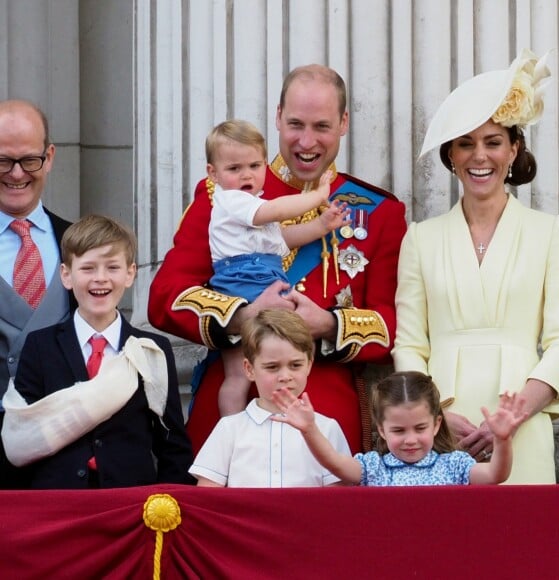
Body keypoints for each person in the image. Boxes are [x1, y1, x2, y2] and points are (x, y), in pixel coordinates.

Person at [148, 64, 408, 455]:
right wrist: (242, 315)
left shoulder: (378, 212)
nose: (307, 141)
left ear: (343, 123)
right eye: (295, 124)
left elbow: (392, 326)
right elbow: (165, 297)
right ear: (277, 118)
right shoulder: (226, 190)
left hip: (326, 423)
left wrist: (329, 325)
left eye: (321, 126)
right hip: (232, 418)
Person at [393, 49, 559, 484]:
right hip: (437, 429)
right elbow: (408, 343)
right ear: (451, 156)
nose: (480, 156)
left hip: (522, 421)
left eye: (493, 142)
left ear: (513, 149)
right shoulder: (420, 237)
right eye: (466, 143)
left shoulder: (549, 231)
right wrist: (433, 413)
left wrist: (514, 416)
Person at [1, 215, 194, 488]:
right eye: (88, 268)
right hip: (58, 506)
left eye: (112, 267)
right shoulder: (40, 346)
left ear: (130, 274)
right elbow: (24, 436)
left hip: (131, 506)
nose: (100, 279)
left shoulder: (152, 350)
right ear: (66, 275)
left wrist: (167, 507)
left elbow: (172, 444)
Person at [206, 119, 350, 416]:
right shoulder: (233, 201)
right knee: (243, 373)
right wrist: (318, 197)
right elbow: (274, 212)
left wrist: (322, 224)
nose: (246, 175)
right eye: (234, 169)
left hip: (262, 274)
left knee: (270, 367)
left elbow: (283, 239)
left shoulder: (253, 205)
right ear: (213, 174)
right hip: (243, 284)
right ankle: (230, 431)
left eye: (254, 166)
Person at [0, 99, 76, 488]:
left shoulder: (80, 243)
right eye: (2, 161)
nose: (16, 174)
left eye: (28, 160)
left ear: (49, 157)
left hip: (63, 461)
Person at [272, 371, 528, 486]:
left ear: (437, 424)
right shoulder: (373, 468)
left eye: (420, 428)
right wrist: (309, 429)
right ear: (381, 430)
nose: (410, 439)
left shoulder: (455, 466)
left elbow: (496, 475)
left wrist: (502, 440)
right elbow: (336, 463)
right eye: (398, 431)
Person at [190, 309, 350, 487]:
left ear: (309, 365)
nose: (285, 376)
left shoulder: (327, 429)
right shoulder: (230, 429)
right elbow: (209, 494)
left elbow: (338, 498)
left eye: (295, 365)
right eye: (272, 367)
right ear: (249, 369)